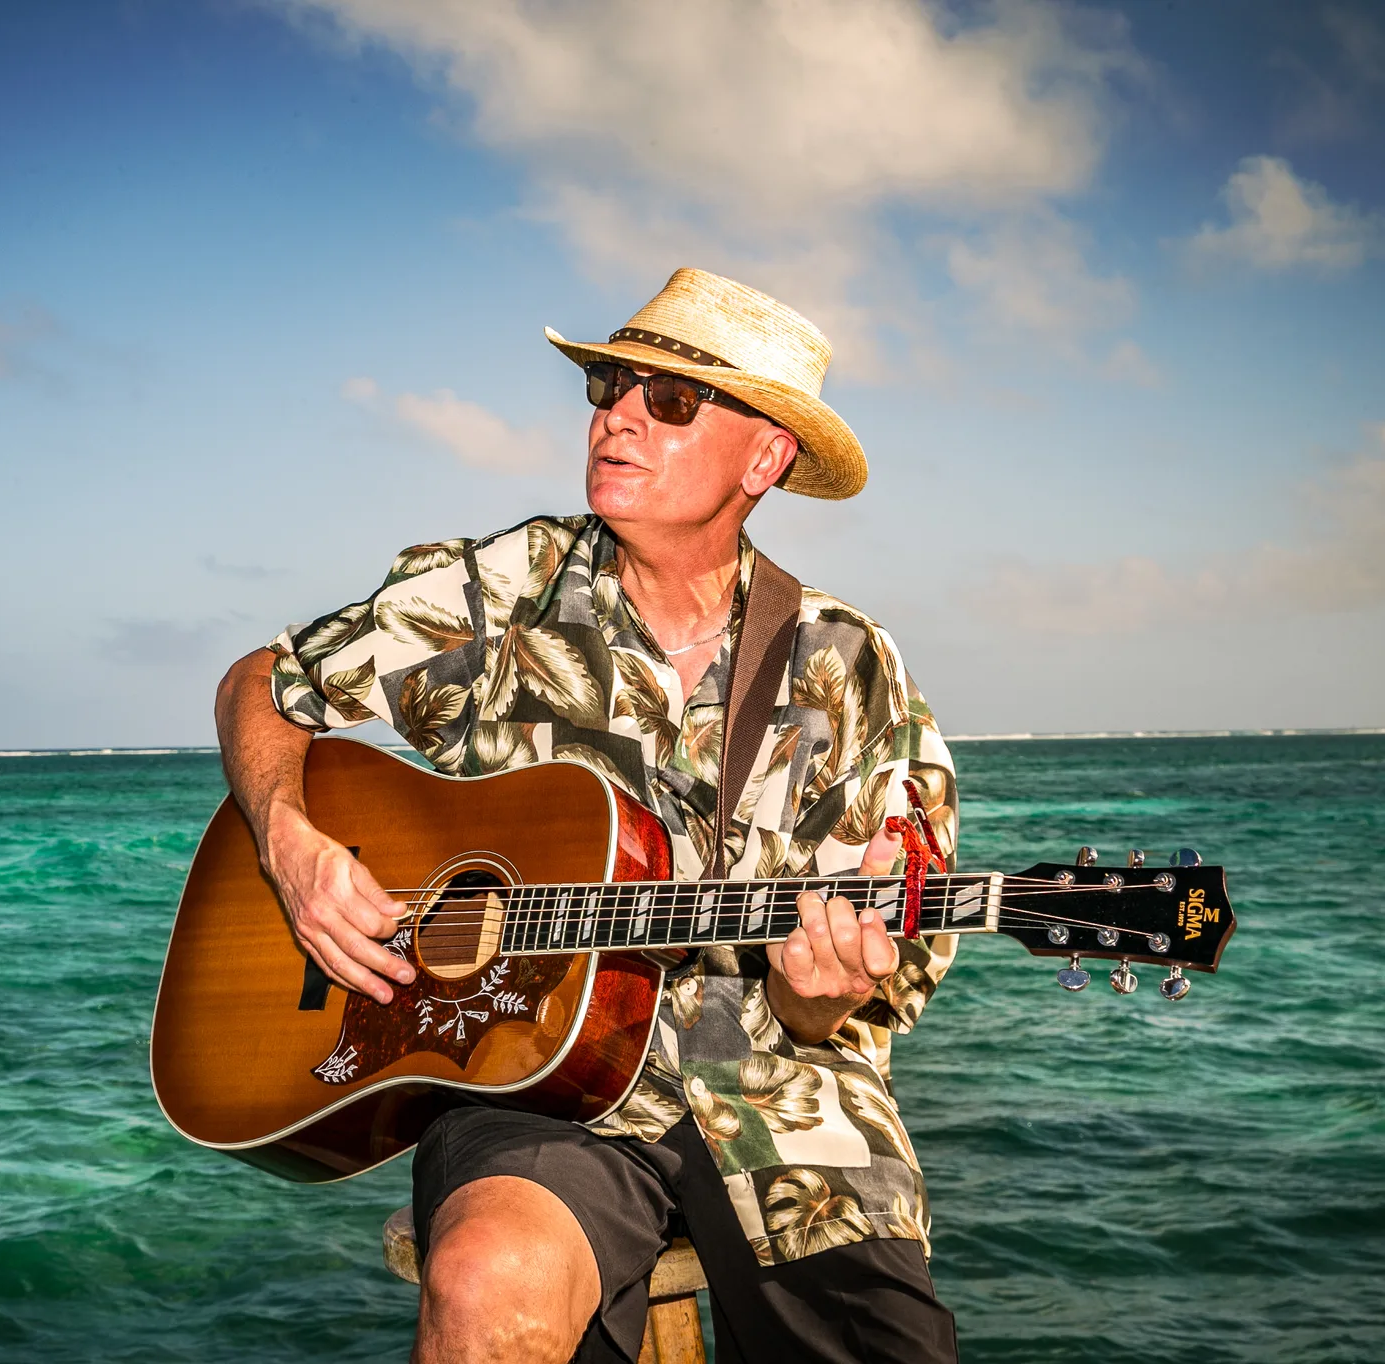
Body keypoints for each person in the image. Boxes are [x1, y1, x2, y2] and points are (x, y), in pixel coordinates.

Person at [214, 268, 961, 1364]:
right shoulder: (501, 588)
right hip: (529, 1076)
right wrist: (290, 843)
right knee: (483, 1285)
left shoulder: (848, 662)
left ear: (765, 459)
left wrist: (817, 997)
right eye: (609, 385)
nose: (616, 415)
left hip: (778, 1086)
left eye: (670, 400)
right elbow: (264, 683)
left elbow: (888, 956)